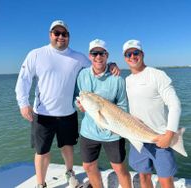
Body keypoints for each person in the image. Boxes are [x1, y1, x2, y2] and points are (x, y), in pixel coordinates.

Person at [15, 20, 120, 188]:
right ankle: (40, 184)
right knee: (42, 151)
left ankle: (70, 173)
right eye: (57, 33)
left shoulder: (78, 57)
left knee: (67, 146)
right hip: (42, 113)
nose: (60, 37)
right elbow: (24, 79)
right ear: (50, 35)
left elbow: (97, 65)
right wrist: (23, 103)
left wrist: (112, 64)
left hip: (68, 113)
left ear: (68, 37)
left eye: (64, 34)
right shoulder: (36, 54)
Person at [122, 39, 181, 188]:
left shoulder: (158, 75)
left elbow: (175, 105)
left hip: (160, 138)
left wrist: (169, 134)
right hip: (137, 138)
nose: (132, 56)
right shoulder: (127, 80)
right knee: (143, 177)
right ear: (125, 58)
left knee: (166, 181)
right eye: (128, 54)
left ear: (142, 54)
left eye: (136, 52)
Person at [76, 39, 132, 188]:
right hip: (88, 131)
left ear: (107, 55)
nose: (98, 57)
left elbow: (123, 105)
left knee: (119, 168)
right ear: (89, 56)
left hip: (113, 132)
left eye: (101, 53)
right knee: (88, 166)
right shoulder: (82, 75)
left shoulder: (117, 78)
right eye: (94, 53)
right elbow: (77, 96)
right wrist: (79, 105)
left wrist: (117, 123)